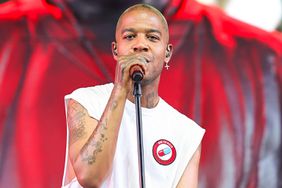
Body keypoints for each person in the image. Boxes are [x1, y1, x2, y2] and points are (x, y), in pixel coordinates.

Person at [62, 3, 205, 188]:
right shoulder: (86, 102)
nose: (140, 45)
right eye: (130, 37)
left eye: (152, 37)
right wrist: (121, 88)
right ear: (115, 50)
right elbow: (90, 177)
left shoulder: (187, 133)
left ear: (167, 53)